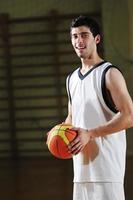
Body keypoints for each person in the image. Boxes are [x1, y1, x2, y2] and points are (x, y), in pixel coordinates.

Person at [64, 15, 133, 200]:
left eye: (84, 35)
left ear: (97, 39)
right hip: (80, 173)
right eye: (75, 36)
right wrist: (59, 131)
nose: (79, 41)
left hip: (107, 171)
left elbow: (129, 116)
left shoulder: (109, 73)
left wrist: (90, 133)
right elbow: (72, 117)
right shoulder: (71, 79)